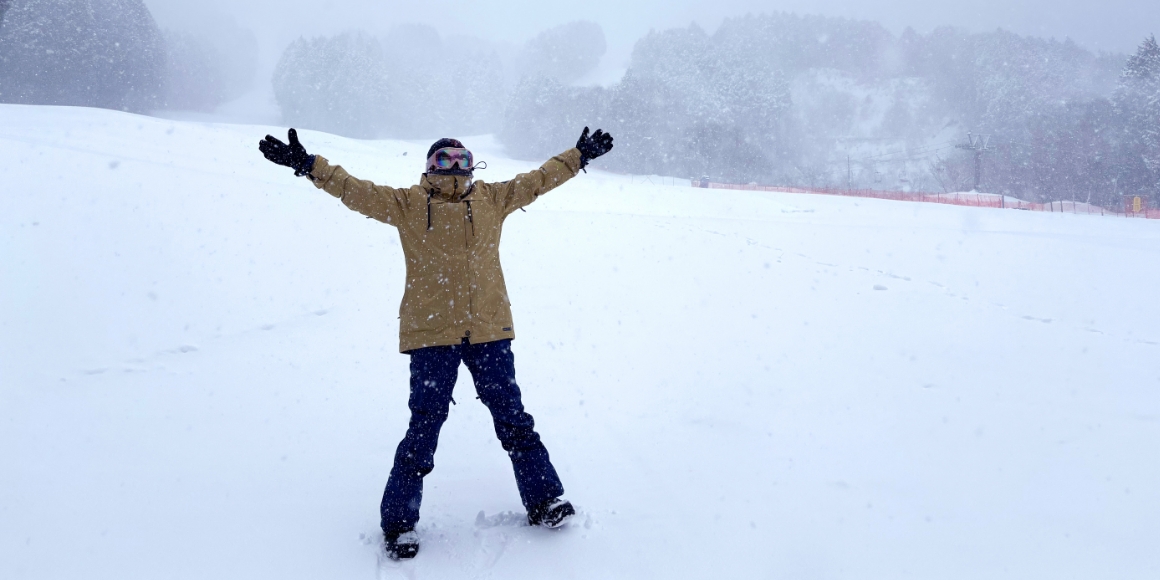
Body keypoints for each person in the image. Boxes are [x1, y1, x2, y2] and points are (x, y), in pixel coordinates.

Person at [258, 127, 614, 560]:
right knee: (423, 429)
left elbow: (539, 180)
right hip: (432, 336)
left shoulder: (493, 198)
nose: (454, 168)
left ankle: (544, 501)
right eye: (443, 160)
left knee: (514, 420)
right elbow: (353, 190)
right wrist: (308, 165)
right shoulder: (407, 204)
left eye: (462, 160)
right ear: (428, 167)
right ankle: (399, 524)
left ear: (473, 165)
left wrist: (578, 156)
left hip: (488, 332)